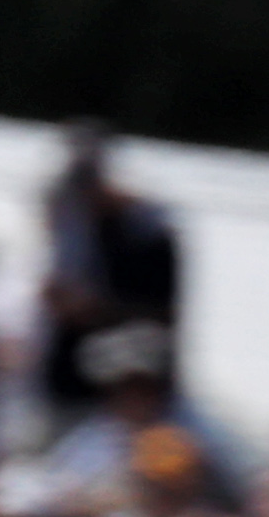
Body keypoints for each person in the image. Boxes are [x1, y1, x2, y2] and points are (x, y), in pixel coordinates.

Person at [34, 123, 179, 411]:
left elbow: (162, 316)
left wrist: (96, 310)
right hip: (66, 385)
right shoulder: (74, 230)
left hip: (127, 395)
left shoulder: (147, 236)